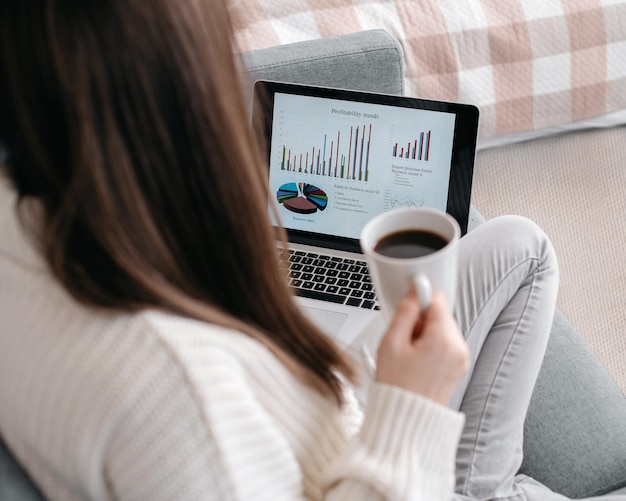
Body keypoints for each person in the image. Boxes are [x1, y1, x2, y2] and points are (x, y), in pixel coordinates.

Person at [0, 1, 618, 500]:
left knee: (522, 244)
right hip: (381, 454)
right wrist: (412, 402)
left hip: (343, 415)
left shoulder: (24, 218)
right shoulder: (175, 400)